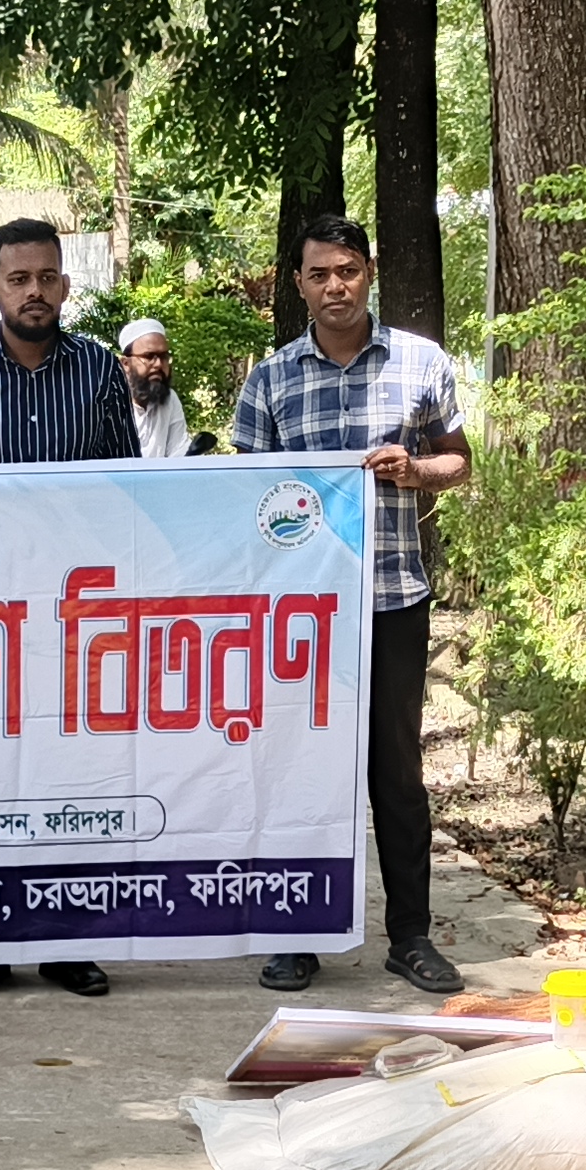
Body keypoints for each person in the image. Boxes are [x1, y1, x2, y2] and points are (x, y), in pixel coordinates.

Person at [230, 211, 474, 997]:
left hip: (393, 599)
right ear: (297, 285)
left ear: (369, 275)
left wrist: (417, 471)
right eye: (319, 274)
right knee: (304, 769)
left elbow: (459, 462)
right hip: (301, 615)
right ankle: (299, 933)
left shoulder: (421, 364)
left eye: (349, 271)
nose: (336, 286)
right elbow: (244, 494)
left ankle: (410, 936)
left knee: (396, 773)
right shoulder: (270, 380)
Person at [0, 218, 140, 998]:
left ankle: (66, 938)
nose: (35, 291)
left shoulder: (102, 375)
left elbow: (126, 489)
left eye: (47, 277)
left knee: (67, 774)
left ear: (66, 286)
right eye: (19, 279)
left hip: (77, 618)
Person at [119, 316, 200, 458]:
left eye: (163, 357)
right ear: (125, 363)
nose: (158, 364)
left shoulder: (169, 399)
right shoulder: (109, 402)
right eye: (149, 356)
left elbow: (178, 454)